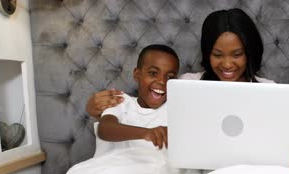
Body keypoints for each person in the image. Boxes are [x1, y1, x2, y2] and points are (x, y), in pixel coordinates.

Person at [86, 8, 272, 119]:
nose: (227, 64)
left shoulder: (269, 90)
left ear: (249, 53)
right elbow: (148, 115)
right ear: (207, 54)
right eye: (217, 54)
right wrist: (98, 111)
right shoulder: (187, 84)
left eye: (237, 54)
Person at [96, 44, 179, 150]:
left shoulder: (175, 109)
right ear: (137, 74)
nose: (162, 81)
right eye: (153, 73)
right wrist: (146, 133)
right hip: (118, 164)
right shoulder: (121, 101)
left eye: (169, 77)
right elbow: (104, 129)